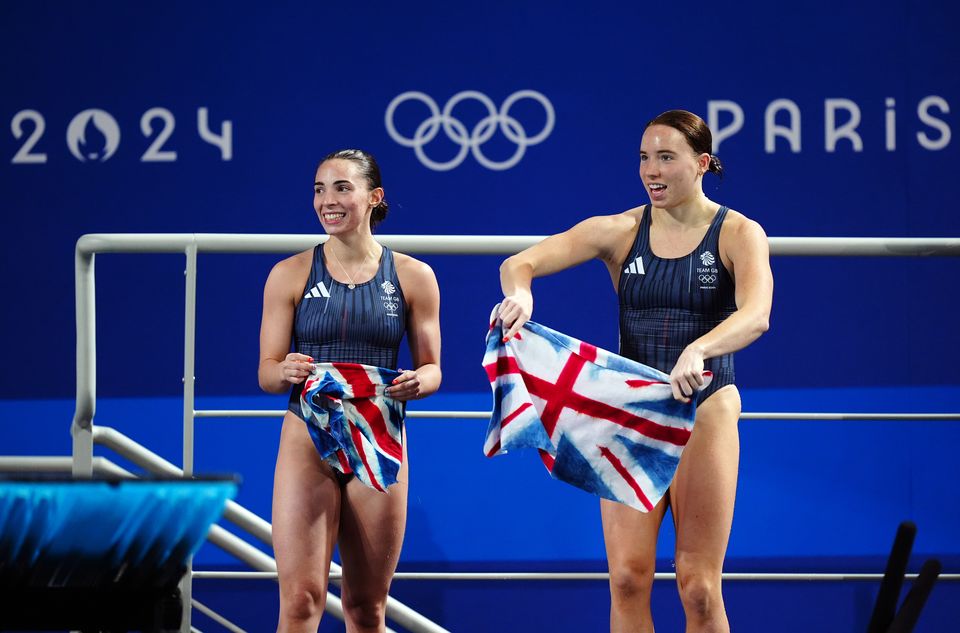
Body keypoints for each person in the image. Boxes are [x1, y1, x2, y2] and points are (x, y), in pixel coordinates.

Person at [498, 110, 773, 633]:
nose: (652, 170)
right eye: (645, 158)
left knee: (698, 586)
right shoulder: (621, 230)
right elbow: (519, 262)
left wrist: (700, 349)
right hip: (630, 415)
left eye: (667, 157)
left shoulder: (739, 232)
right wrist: (521, 292)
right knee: (626, 578)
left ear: (703, 164)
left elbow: (756, 314)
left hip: (706, 407)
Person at [258, 149, 442, 633]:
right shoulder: (289, 273)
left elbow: (432, 369)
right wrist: (287, 370)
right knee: (300, 602)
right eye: (319, 189)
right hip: (308, 435)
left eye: (342, 188)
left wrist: (418, 382)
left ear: (374, 197)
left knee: (365, 609)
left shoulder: (414, 276)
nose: (327, 200)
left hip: (379, 436)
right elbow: (267, 372)